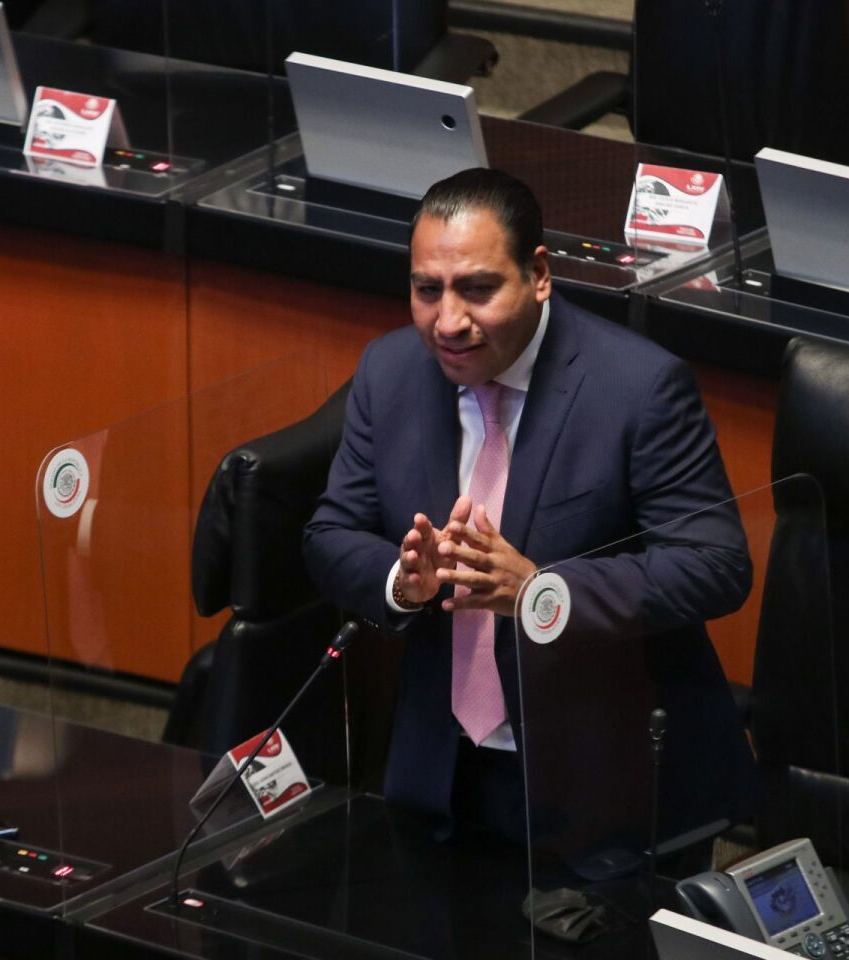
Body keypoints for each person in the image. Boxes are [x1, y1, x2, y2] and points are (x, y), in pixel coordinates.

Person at [302, 168, 754, 842]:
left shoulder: (640, 389)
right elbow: (330, 532)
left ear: (538, 274)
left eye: (478, 290)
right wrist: (403, 580)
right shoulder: (388, 372)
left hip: (603, 779)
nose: (448, 322)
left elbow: (715, 564)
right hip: (437, 769)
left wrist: (544, 590)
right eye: (428, 291)